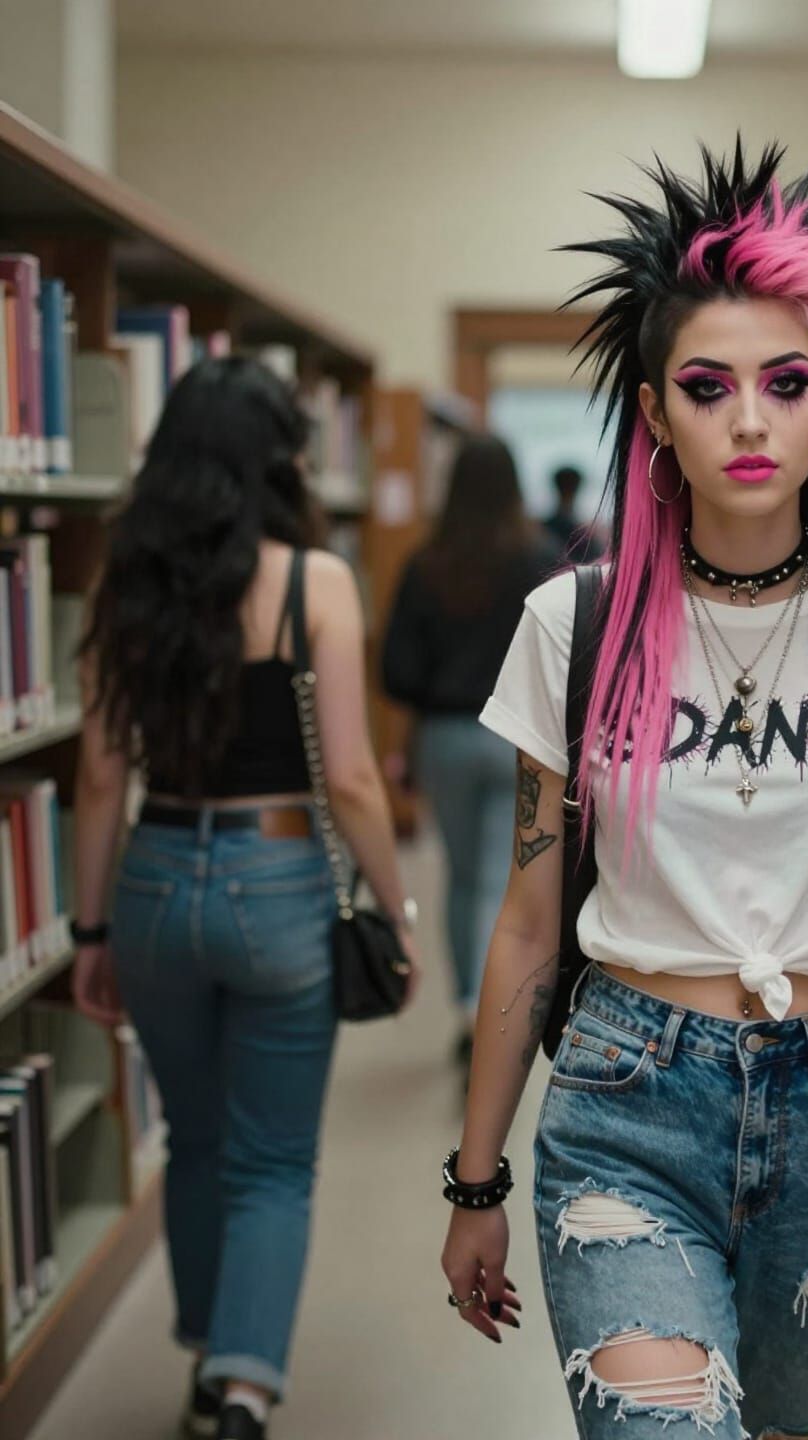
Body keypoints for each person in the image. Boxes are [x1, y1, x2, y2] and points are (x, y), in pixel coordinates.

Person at [439, 141, 808, 1439]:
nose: (752, 419)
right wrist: (475, 1179)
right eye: (709, 388)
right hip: (625, 1106)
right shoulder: (575, 624)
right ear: (656, 413)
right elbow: (533, 919)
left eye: (787, 382)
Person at [70, 357, 420, 1440]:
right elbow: (353, 780)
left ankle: (203, 1351)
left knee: (196, 1140)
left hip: (155, 876)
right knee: (274, 1158)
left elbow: (96, 777)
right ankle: (243, 1388)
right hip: (277, 884)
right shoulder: (316, 581)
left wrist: (89, 929)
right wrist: (396, 910)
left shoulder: (122, 585)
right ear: (278, 462)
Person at [382, 434, 559, 1059]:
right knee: (500, 876)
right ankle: (496, 1012)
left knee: (461, 877)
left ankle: (466, 1007)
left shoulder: (426, 564)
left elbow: (396, 669)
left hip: (447, 738)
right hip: (521, 735)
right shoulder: (540, 556)